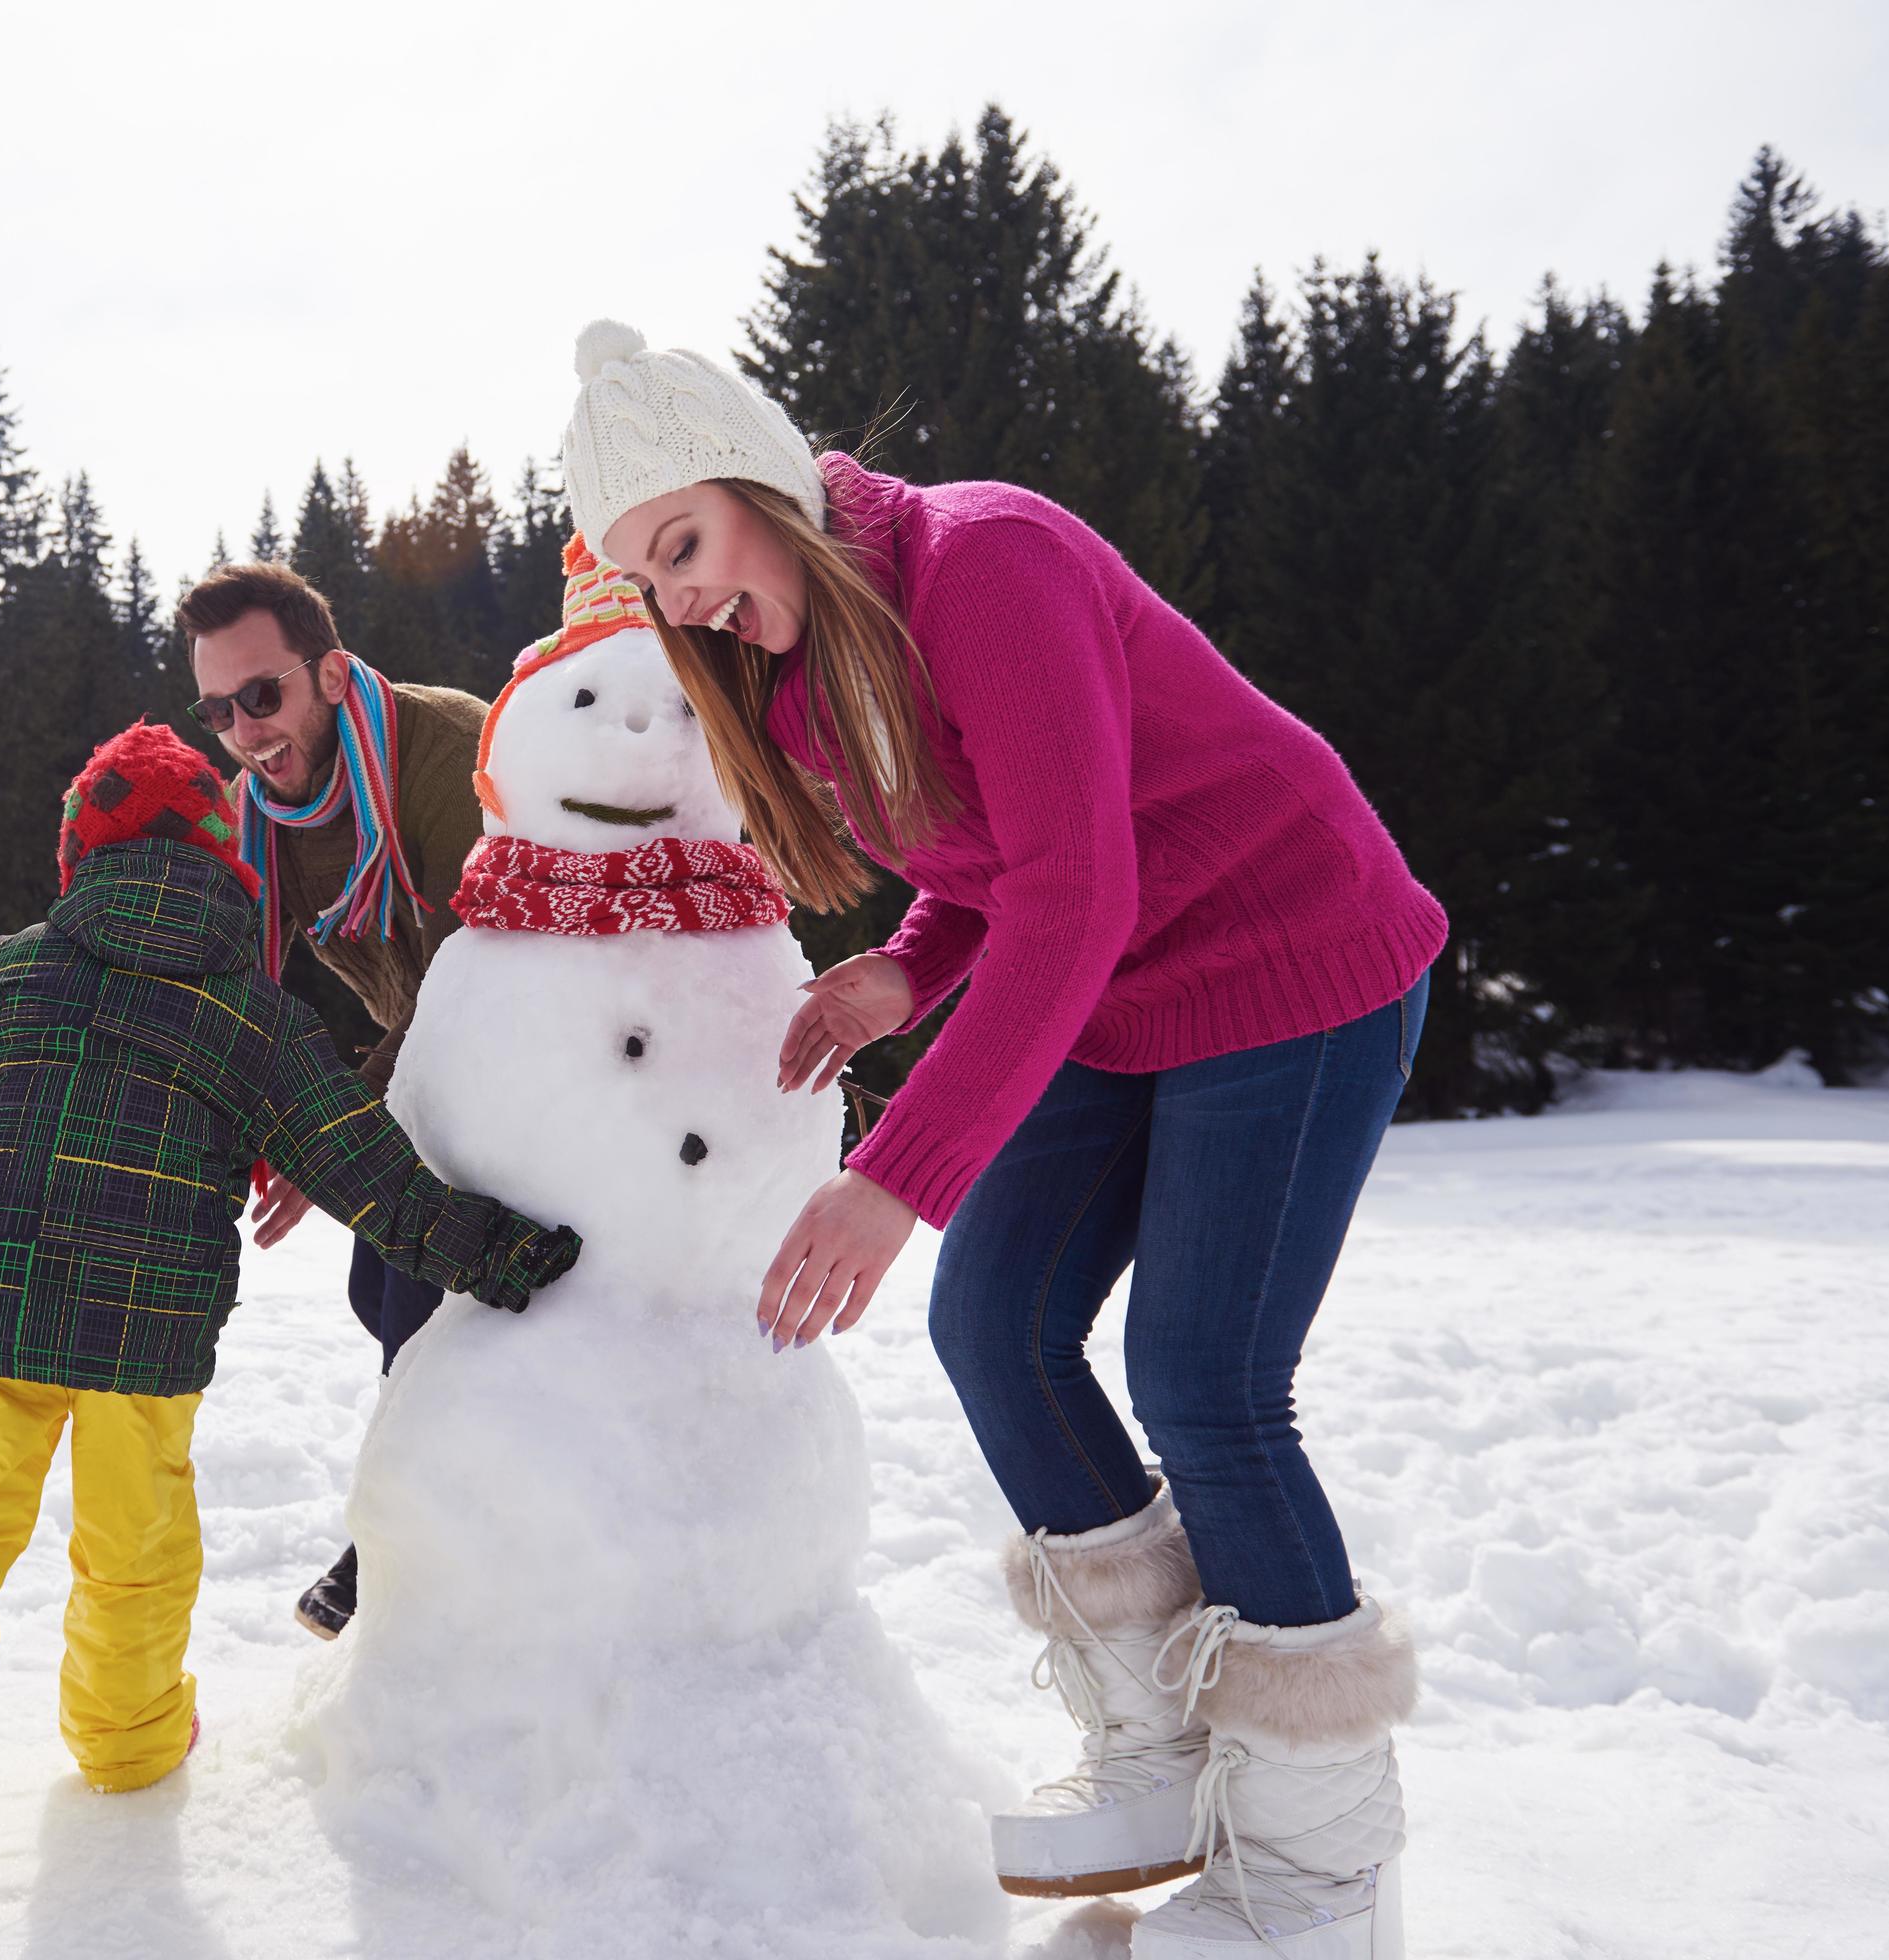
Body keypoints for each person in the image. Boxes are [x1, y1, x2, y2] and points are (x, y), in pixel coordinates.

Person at [562, 320, 1446, 1959]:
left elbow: (1077, 879)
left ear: (763, 477)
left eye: (679, 544)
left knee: (1205, 1383)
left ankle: (1316, 1872)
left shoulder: (986, 561)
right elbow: (995, 865)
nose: (676, 600)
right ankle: (1162, 1754)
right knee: (997, 1323)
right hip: (1119, 993)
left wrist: (894, 1177)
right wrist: (906, 969)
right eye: (644, 579)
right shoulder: (808, 673)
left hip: (1285, 952)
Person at [0, 719, 579, 1909]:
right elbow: (378, 1184)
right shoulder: (256, 1019)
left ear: (79, 854)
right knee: (136, 1547)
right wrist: (505, 1253)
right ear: (226, 864)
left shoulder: (8, 967)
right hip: (144, 1331)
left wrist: (4, 1149)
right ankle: (129, 1742)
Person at [174, 562, 492, 1639]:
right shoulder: (256, 818)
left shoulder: (448, 751)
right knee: (380, 1293)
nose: (246, 732)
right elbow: (230, 997)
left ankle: (399, 1550)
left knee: (422, 1298)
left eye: (263, 695)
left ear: (331, 671)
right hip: (420, 1066)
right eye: (219, 711)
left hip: (542, 1034)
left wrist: (333, 1131)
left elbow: (475, 968)